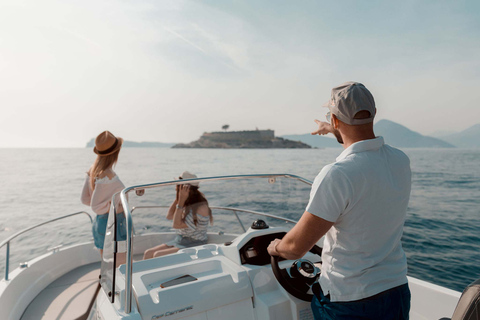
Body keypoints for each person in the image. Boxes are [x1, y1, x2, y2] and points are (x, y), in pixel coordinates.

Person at [267, 82, 412, 320]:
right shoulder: (399, 160)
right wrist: (333, 128)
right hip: (395, 290)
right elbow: (360, 140)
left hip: (350, 301)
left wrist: (275, 248)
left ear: (335, 120)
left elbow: (295, 248)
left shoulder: (338, 174)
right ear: (373, 113)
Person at [81, 131, 127, 264]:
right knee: (121, 266)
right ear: (115, 153)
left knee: (107, 264)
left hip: (100, 222)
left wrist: (105, 203)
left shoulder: (94, 170)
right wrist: (114, 206)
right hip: (114, 222)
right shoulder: (108, 176)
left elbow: (85, 199)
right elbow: (96, 206)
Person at [143, 171, 213, 259]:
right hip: (180, 240)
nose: (176, 186)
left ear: (186, 188)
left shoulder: (200, 207)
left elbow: (176, 225)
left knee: (157, 255)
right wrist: (179, 198)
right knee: (148, 253)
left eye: (178, 184)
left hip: (194, 243)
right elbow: (169, 216)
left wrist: (181, 200)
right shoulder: (186, 201)